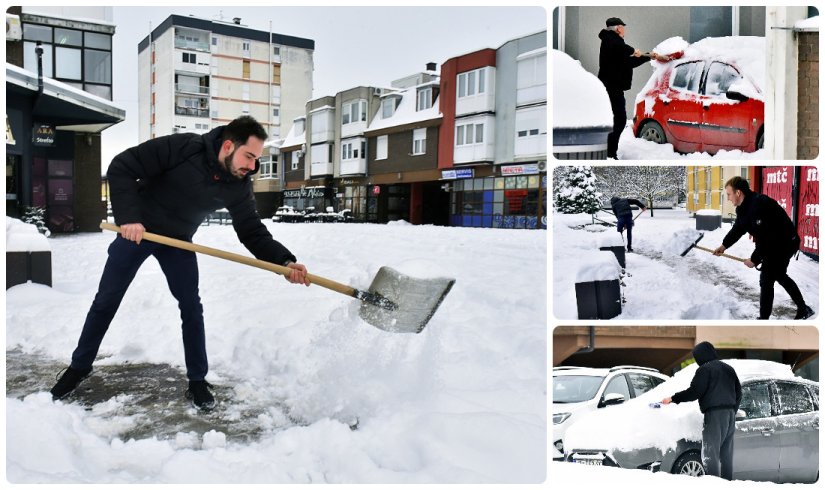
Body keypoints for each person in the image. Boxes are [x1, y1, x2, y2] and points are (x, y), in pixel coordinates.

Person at [50, 116, 311, 410]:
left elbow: (251, 231)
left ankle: (197, 380)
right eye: (249, 156)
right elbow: (122, 166)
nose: (252, 166)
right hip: (138, 233)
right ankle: (80, 366)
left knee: (191, 306)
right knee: (106, 300)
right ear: (228, 146)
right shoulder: (183, 148)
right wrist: (129, 219)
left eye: (256, 159)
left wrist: (284, 261)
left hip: (178, 242)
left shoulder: (237, 185)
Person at [713, 176, 814, 320]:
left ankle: (765, 318)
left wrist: (754, 259)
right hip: (773, 243)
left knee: (767, 278)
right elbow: (738, 228)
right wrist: (724, 246)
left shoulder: (759, 205)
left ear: (738, 193)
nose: (728, 198)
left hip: (785, 242)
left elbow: (766, 238)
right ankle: (802, 309)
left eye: (729, 194)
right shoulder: (743, 208)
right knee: (777, 275)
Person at [661, 341, 742, 480]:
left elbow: (694, 392)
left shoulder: (705, 369)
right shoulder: (729, 369)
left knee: (711, 454)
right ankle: (728, 485)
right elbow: (739, 392)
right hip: (730, 415)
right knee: (726, 455)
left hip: (714, 415)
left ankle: (713, 485)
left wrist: (673, 398)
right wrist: (732, 410)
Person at [598, 17, 669, 159]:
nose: (624, 30)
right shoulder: (610, 40)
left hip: (613, 87)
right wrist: (633, 50)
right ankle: (610, 153)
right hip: (611, 87)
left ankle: (610, 152)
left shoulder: (613, 42)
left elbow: (627, 62)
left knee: (616, 120)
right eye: (623, 27)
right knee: (619, 119)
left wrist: (649, 56)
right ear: (618, 28)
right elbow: (622, 49)